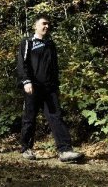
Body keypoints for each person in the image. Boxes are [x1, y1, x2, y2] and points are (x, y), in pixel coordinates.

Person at [17, 14, 84, 162]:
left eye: (48, 24)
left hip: (50, 89)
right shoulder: (27, 42)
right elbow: (22, 64)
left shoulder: (50, 44)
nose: (46, 26)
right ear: (36, 26)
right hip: (32, 87)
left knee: (56, 117)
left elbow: (54, 67)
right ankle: (26, 148)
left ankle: (65, 150)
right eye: (44, 24)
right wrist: (26, 81)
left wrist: (56, 86)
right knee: (29, 118)